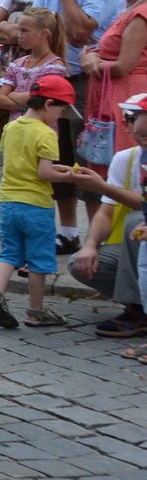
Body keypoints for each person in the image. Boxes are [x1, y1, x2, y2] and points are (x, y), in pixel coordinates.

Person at [0, 75, 80, 329]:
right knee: (39, 260)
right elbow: (44, 173)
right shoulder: (47, 133)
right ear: (48, 104)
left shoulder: (11, 127)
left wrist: (59, 168)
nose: (60, 116)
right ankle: (35, 311)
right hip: (36, 206)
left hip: (8, 203)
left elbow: (21, 162)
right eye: (61, 110)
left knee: (10, 253)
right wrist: (69, 175)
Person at [69, 93, 147, 340]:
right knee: (80, 264)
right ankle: (138, 309)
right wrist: (89, 246)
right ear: (126, 124)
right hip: (137, 243)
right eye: (135, 119)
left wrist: (102, 187)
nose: (141, 125)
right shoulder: (126, 158)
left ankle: (137, 310)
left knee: (135, 222)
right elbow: (107, 210)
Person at [79, 0, 147, 157]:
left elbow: (124, 66)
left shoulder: (140, 14)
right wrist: (91, 55)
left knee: (120, 160)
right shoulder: (130, 9)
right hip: (114, 91)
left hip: (125, 93)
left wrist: (93, 64)